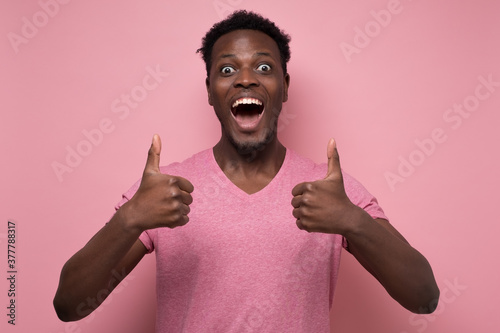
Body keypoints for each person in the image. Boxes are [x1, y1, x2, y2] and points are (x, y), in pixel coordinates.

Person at [54, 10, 439, 332]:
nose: (246, 78)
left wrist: (355, 221)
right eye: (227, 69)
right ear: (209, 90)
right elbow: (69, 306)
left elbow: (424, 297)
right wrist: (130, 219)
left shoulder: (332, 192)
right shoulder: (161, 191)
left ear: (284, 86)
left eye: (264, 66)